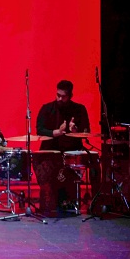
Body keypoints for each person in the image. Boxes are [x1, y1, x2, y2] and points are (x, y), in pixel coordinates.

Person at [36, 79, 101, 210]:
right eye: (58, 95)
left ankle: (96, 202)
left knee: (94, 161)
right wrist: (57, 132)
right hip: (52, 150)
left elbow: (86, 130)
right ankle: (50, 200)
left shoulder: (79, 109)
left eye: (63, 96)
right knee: (42, 163)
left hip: (73, 150)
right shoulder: (47, 109)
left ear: (70, 95)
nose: (60, 98)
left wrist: (75, 130)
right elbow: (39, 129)